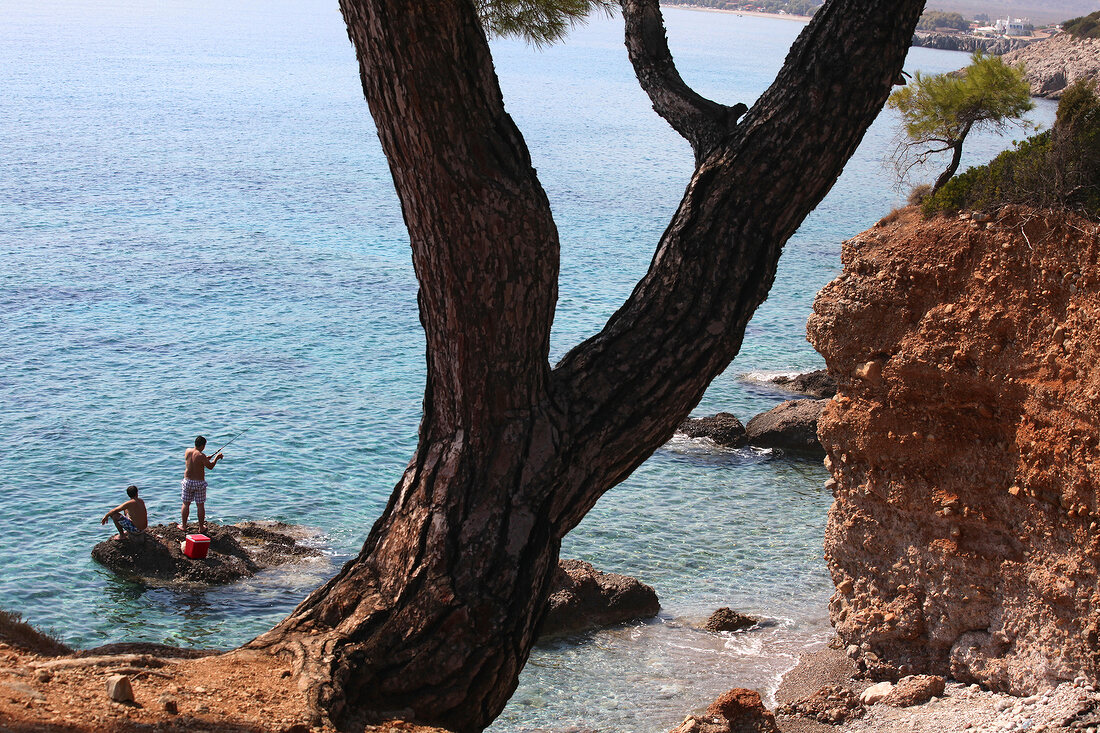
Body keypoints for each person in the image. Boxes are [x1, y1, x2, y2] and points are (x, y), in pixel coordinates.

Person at [180, 435, 223, 533]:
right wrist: (217, 458)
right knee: (200, 505)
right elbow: (210, 466)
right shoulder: (201, 456)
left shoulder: (188, 451)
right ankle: (201, 527)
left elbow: (195, 461)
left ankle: (183, 525)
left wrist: (205, 458)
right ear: (203, 445)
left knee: (186, 504)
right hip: (198, 483)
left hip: (187, 481)